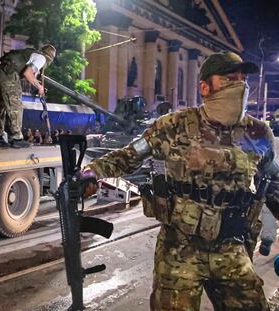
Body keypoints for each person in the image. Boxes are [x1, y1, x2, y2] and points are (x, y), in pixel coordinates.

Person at [83, 51, 279, 310]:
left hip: (232, 247)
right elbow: (128, 156)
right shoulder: (172, 126)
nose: (240, 85)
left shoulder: (259, 133)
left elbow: (273, 182)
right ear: (205, 87)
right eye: (230, 78)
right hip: (180, 250)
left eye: (243, 79)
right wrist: (91, 173)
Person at [0, 44, 56, 148]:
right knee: (15, 105)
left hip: (1, 70)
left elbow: (31, 76)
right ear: (51, 57)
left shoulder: (32, 54)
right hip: (10, 74)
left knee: (1, 106)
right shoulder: (42, 58)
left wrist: (37, 84)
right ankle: (16, 138)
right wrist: (40, 87)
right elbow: (27, 73)